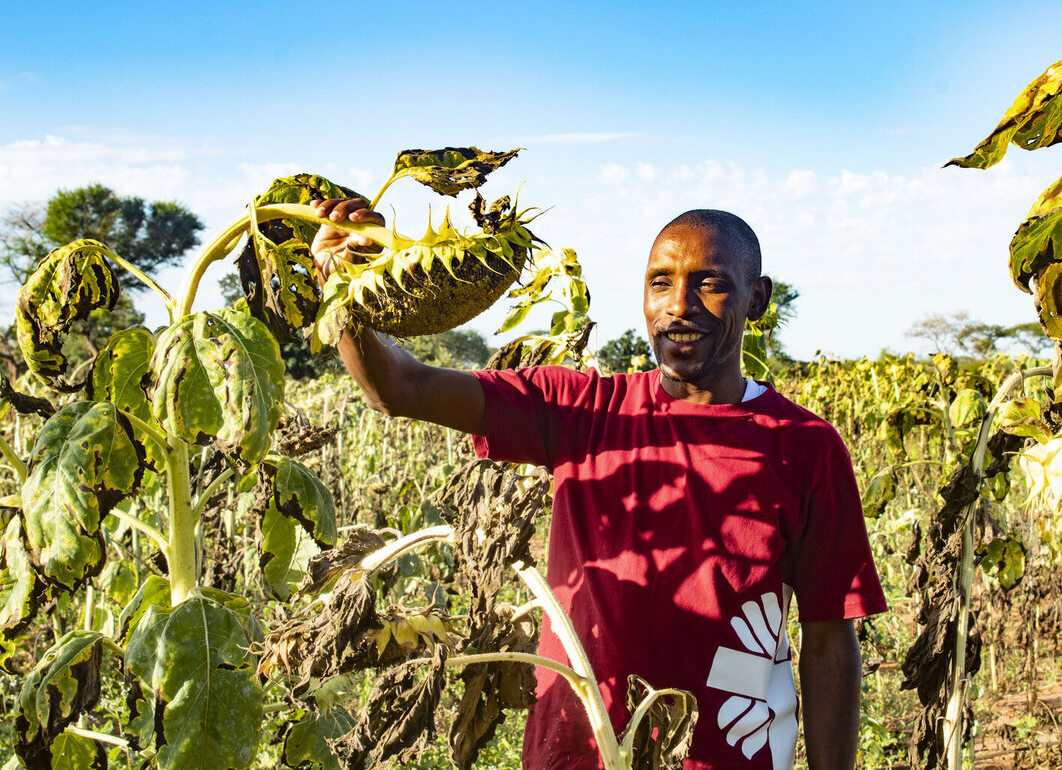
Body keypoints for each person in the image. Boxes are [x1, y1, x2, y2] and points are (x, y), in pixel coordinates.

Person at [310, 198, 887, 770]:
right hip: (578, 753)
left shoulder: (805, 446)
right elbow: (401, 388)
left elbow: (831, 638)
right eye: (660, 283)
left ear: (756, 298)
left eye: (709, 283)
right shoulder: (583, 410)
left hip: (732, 754)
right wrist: (350, 283)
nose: (678, 305)